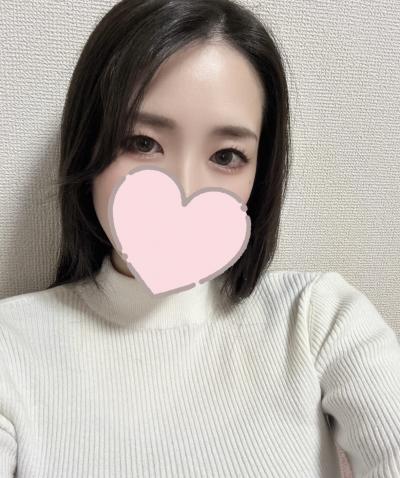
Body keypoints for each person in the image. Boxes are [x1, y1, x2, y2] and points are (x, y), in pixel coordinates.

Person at [1, 0, 399, 477]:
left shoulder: (319, 318)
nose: (185, 189)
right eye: (142, 142)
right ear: (89, 143)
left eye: (226, 156)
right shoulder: (10, 348)